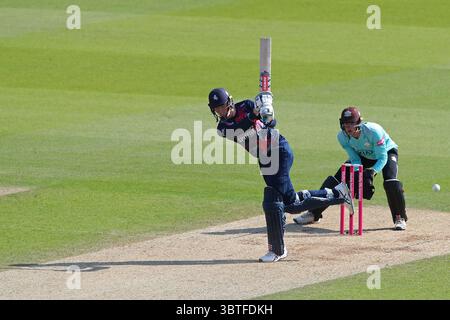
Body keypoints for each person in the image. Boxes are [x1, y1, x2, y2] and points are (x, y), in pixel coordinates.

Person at [207, 88, 354, 262]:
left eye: (222, 106)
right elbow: (240, 129)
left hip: (278, 150)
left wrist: (267, 112)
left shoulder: (246, 105)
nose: (220, 111)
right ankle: (337, 193)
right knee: (286, 202)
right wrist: (255, 114)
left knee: (277, 202)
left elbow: (270, 123)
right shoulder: (222, 127)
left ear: (229, 102)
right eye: (216, 109)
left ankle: (278, 249)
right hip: (264, 158)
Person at [294, 106, 408, 230]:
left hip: (386, 152)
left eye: (351, 124)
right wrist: (359, 174)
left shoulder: (373, 131)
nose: (348, 128)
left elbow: (382, 157)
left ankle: (399, 217)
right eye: (345, 124)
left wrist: (372, 172)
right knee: (336, 181)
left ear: (359, 122)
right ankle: (313, 213)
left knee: (390, 181)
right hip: (362, 155)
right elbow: (355, 159)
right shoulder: (342, 137)